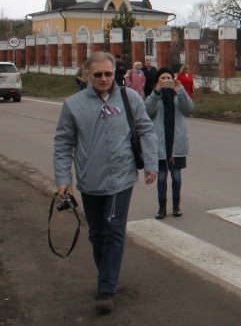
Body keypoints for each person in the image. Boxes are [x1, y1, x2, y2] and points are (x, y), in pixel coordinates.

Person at [53, 52, 158, 315]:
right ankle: (108, 276)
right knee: (96, 234)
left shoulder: (129, 98)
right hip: (89, 181)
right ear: (88, 74)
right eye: (97, 74)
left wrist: (152, 165)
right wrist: (64, 179)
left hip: (121, 178)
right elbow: (63, 143)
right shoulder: (73, 105)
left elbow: (145, 129)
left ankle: (106, 288)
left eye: (108, 74)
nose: (103, 79)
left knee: (113, 230)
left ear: (115, 74)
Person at [146, 67, 195, 219]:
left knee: (176, 176)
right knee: (161, 177)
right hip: (160, 144)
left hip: (176, 143)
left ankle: (176, 206)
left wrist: (180, 89)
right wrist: (156, 92)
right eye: (163, 78)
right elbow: (147, 111)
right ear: (157, 81)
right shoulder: (154, 96)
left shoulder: (178, 95)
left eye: (169, 78)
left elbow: (189, 108)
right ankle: (161, 207)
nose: (166, 80)